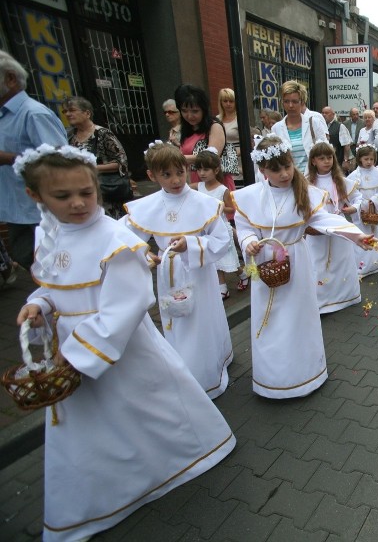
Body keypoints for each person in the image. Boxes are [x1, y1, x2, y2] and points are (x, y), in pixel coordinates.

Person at [14, 144, 235, 541]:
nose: (79, 203)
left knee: (144, 404)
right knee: (95, 423)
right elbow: (54, 288)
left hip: (111, 348)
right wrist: (40, 305)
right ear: (35, 196)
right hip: (76, 344)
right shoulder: (46, 236)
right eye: (63, 196)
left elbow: (127, 305)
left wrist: (76, 356)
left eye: (87, 192)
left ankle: (172, 457)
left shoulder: (114, 238)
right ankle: (106, 488)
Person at [233, 135, 374, 398]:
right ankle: (272, 378)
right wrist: (250, 241)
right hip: (266, 263)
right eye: (276, 170)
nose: (285, 173)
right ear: (263, 171)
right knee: (270, 319)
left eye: (287, 166)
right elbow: (244, 227)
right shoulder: (251, 196)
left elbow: (325, 219)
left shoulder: (303, 192)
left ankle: (305, 374)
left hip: (296, 260)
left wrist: (355, 235)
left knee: (297, 317)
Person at [123, 142, 233, 399]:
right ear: (152, 176)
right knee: (176, 319)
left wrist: (192, 245)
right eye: (166, 174)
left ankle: (206, 370)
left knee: (201, 318)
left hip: (198, 270)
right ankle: (183, 367)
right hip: (168, 271)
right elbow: (124, 237)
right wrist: (144, 252)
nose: (175, 180)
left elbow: (221, 240)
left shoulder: (203, 203)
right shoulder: (146, 206)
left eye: (180, 173)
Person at [0, 51, 66, 271]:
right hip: (15, 207)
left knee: (55, 266)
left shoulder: (33, 114)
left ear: (10, 78)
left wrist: (8, 158)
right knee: (33, 263)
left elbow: (61, 161)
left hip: (40, 212)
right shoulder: (4, 116)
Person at [305, 141, 362, 313]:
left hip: (338, 227)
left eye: (329, 157)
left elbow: (358, 198)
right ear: (313, 161)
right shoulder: (307, 183)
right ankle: (321, 301)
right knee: (318, 262)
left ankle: (345, 296)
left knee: (341, 261)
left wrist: (354, 207)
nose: (327, 161)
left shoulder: (340, 180)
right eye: (321, 158)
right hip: (316, 230)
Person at [62, 96, 132, 219]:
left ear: (87, 113)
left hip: (105, 191)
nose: (68, 114)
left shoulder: (102, 134)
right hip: (80, 191)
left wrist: (92, 167)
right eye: (65, 111)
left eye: (72, 110)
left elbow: (121, 162)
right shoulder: (69, 136)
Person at [193, 147, 244, 298]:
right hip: (206, 229)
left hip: (221, 228)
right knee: (215, 259)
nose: (202, 173)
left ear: (216, 170)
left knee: (227, 259)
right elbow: (184, 189)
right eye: (199, 169)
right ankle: (230, 282)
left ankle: (236, 278)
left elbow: (232, 209)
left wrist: (221, 208)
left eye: (206, 169)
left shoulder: (222, 190)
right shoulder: (199, 186)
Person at [349, 143, 378, 276]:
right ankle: (364, 264)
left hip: (376, 211)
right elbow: (350, 193)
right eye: (366, 159)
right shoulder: (353, 176)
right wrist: (360, 205)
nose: (369, 162)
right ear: (360, 159)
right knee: (363, 236)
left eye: (371, 159)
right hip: (360, 212)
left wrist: (373, 201)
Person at [174, 84, 231, 189]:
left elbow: (211, 157)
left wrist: (177, 158)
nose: (190, 116)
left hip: (214, 185)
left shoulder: (214, 127)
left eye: (195, 111)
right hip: (193, 182)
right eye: (184, 111)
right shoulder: (186, 130)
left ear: (203, 109)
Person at [270, 81, 328, 174]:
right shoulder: (276, 129)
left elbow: (326, 151)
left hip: (312, 179)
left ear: (302, 102)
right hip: (288, 181)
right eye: (286, 101)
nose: (290, 105)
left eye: (294, 101)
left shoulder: (314, 123)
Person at [216, 87, 243, 186]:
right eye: (225, 101)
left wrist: (232, 154)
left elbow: (248, 143)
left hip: (239, 162)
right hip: (221, 165)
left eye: (231, 101)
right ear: (221, 102)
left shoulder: (241, 119)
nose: (228, 104)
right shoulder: (216, 120)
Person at [321, 106, 353, 172]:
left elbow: (346, 145)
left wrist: (346, 160)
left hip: (337, 161)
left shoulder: (340, 126)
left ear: (333, 114)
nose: (324, 115)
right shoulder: (320, 126)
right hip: (324, 162)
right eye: (323, 113)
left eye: (326, 113)